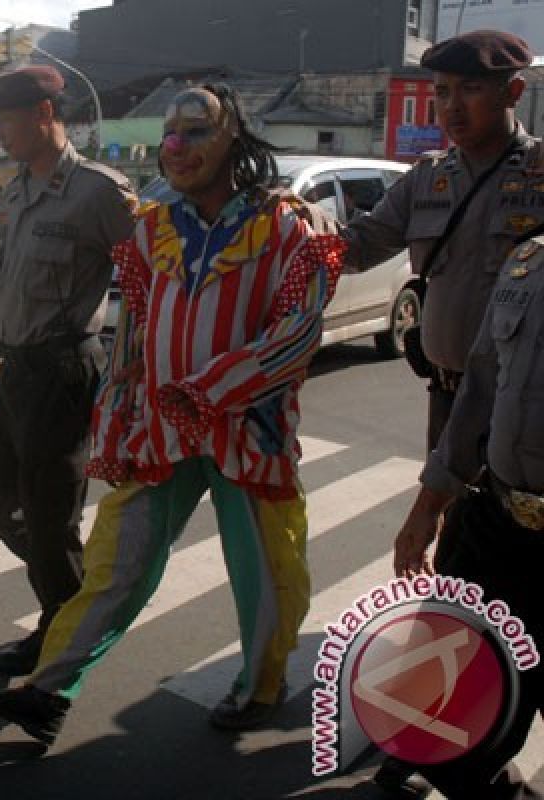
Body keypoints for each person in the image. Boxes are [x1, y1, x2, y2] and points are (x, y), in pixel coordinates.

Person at [0, 83, 347, 744]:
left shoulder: (283, 227)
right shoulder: (153, 229)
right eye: (170, 132)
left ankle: (261, 685)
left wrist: (213, 388)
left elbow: (297, 334)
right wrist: (117, 421)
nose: (177, 145)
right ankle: (48, 692)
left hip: (246, 434)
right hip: (163, 431)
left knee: (263, 568)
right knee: (117, 563)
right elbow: (131, 338)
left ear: (233, 141)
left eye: (197, 131)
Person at [335, 30, 540, 796]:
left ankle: (462, 743)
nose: (452, 107)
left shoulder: (542, 173)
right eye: (442, 93)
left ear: (513, 94)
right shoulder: (428, 180)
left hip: (530, 410)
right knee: (457, 568)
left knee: (487, 573)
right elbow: (357, 249)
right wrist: (290, 225)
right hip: (455, 395)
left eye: (471, 91)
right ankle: (439, 733)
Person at [0, 65, 136, 681]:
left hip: (64, 371)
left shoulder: (99, 192)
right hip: (15, 369)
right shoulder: (15, 192)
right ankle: (71, 588)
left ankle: (59, 628)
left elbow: (148, 284)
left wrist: (129, 373)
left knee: (47, 513)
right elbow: (7, 284)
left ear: (43, 115)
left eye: (8, 119)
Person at [391, 222, 544, 799]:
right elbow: (478, 392)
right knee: (453, 734)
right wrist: (427, 506)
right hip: (500, 528)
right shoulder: (528, 262)